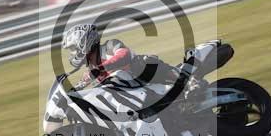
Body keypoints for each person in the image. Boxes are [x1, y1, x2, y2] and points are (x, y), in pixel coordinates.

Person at [61, 24, 202, 98]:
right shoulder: (91, 69)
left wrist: (102, 67)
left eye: (73, 48)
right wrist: (71, 93)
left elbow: (124, 54)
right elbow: (81, 85)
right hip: (131, 91)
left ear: (84, 42)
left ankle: (188, 81)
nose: (73, 53)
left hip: (141, 75)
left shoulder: (109, 45)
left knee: (145, 62)